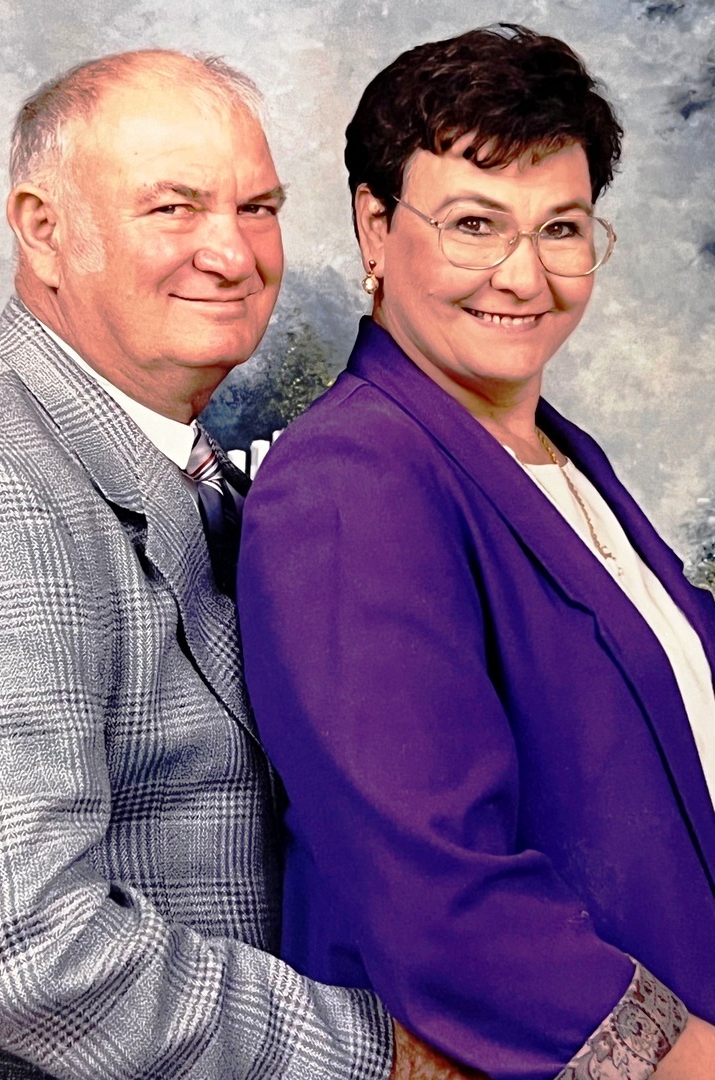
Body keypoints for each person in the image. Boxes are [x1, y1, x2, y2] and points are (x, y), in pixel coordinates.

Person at [0, 48, 472, 1080]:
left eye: (257, 208)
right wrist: (387, 1058)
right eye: (174, 209)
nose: (231, 254)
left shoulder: (191, 468)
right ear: (43, 230)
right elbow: (16, 947)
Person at [238, 24, 715, 1080]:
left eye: (561, 228)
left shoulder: (563, 459)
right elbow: (437, 896)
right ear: (374, 227)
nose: (524, 274)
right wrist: (686, 1059)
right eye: (472, 224)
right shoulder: (350, 482)